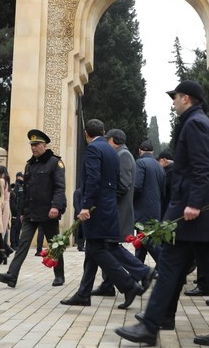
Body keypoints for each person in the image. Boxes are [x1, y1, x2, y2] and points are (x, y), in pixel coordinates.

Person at [115, 81, 209, 347]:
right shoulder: (202, 122)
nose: (173, 102)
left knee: (170, 265)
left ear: (186, 98)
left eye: (176, 98)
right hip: (201, 213)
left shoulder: (194, 124)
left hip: (192, 212)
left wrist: (193, 203)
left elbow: (202, 167)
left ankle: (149, 326)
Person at [60, 119, 145, 309]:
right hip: (108, 206)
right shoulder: (111, 150)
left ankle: (128, 285)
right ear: (103, 131)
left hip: (96, 208)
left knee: (98, 250)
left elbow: (93, 179)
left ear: (85, 134)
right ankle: (83, 294)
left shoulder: (93, 149)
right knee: (92, 250)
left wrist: (85, 206)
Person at [0, 129, 66, 287]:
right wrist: (22, 211)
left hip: (49, 212)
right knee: (23, 243)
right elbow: (26, 191)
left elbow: (60, 187)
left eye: (37, 144)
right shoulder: (29, 165)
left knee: (55, 245)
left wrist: (55, 207)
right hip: (31, 212)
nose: (34, 148)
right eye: (32, 145)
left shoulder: (55, 162)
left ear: (44, 145)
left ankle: (59, 275)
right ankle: (12, 275)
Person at [133, 139, 164, 264]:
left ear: (139, 151)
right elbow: (163, 190)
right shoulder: (159, 166)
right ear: (153, 151)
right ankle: (138, 273)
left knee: (147, 241)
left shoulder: (140, 163)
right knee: (142, 243)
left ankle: (168, 265)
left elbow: (136, 186)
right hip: (155, 209)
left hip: (142, 210)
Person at [9, 171, 25, 250]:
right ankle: (13, 244)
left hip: (21, 211)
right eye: (21, 177)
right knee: (14, 227)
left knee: (18, 227)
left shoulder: (22, 186)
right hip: (16, 210)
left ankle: (17, 242)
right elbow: (12, 199)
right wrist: (14, 211)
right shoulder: (15, 186)